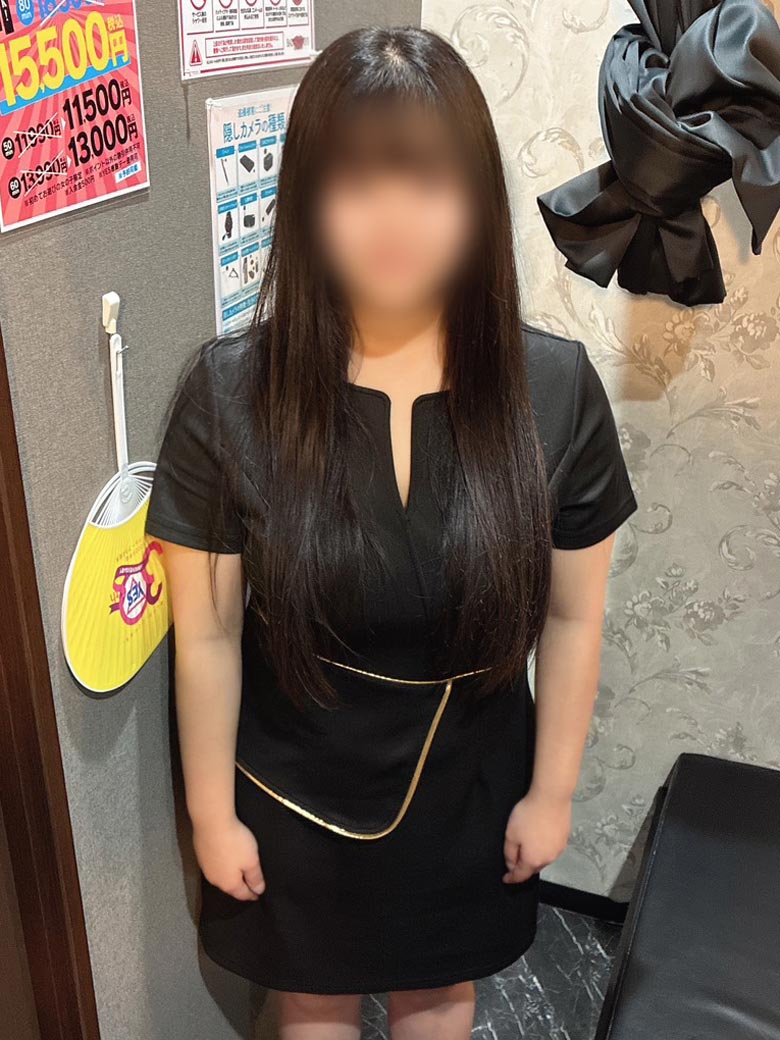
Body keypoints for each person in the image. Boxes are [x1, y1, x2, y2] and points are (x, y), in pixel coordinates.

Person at [146, 25, 637, 1040]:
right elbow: (209, 632)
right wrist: (210, 811)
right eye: (358, 182)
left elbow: (572, 616)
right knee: (311, 997)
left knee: (439, 994)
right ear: (306, 201)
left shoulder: (556, 390)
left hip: (471, 778)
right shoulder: (227, 394)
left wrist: (552, 792)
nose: (394, 218)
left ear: (476, 199)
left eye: (428, 181)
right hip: (293, 781)